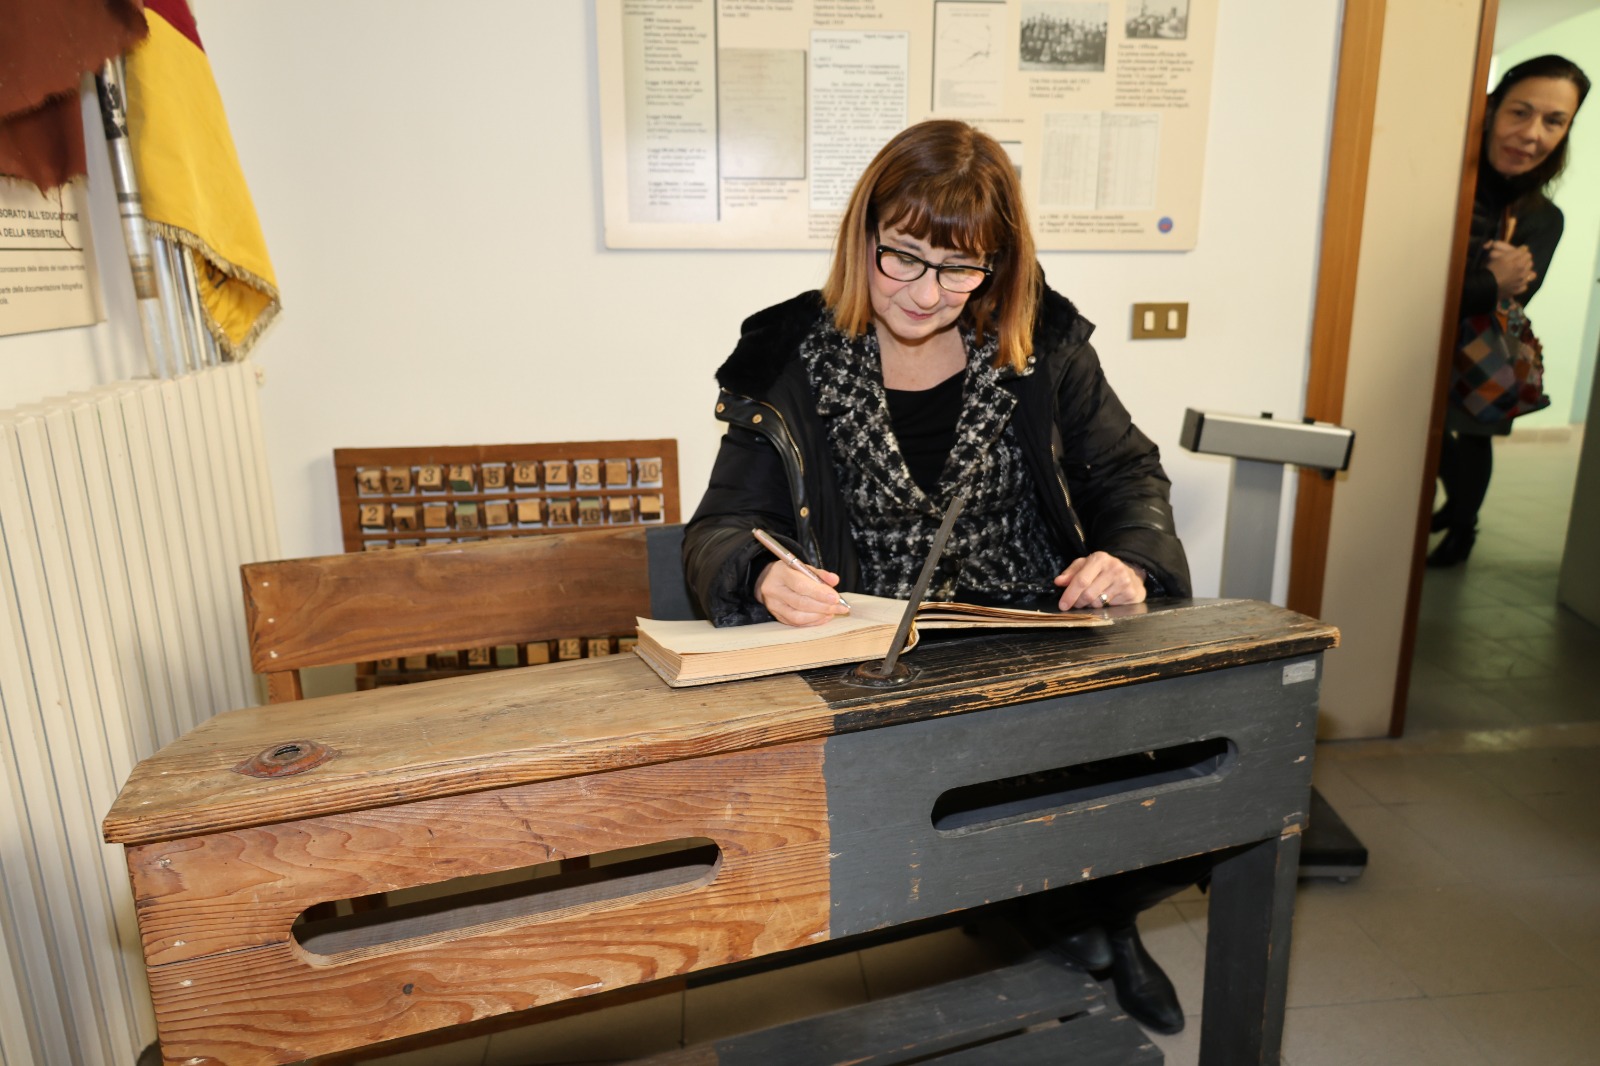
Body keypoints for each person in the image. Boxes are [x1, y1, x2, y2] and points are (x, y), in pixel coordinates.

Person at [682, 119, 1200, 1034]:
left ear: (998, 266)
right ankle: (1081, 926)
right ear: (864, 237)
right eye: (905, 258)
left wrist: (1131, 558)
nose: (927, 294)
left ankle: (1087, 920)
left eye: (961, 269)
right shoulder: (791, 356)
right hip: (883, 659)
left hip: (1035, 637)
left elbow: (1128, 476)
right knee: (963, 809)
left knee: (1194, 776)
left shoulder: (1040, 343)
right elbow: (724, 527)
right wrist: (760, 582)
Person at [1431, 54, 1590, 567]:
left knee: (1473, 439)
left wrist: (1495, 286)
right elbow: (1412, 299)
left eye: (1554, 121)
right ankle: (1451, 511)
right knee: (1427, 438)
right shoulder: (1443, 187)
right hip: (1413, 353)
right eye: (1520, 112)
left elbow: (1514, 298)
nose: (1532, 133)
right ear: (1492, 108)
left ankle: (1462, 527)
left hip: (1480, 354)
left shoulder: (1543, 217)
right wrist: (1492, 280)